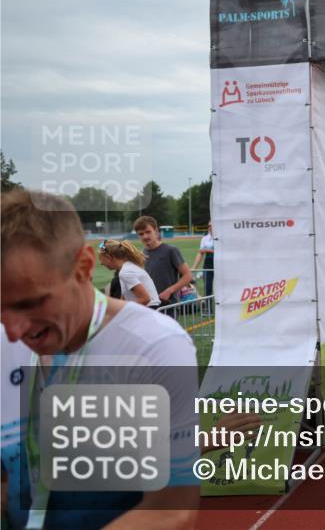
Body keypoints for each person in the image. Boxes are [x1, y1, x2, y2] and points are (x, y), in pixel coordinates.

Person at [1, 189, 199, 529]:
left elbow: (171, 509)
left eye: (30, 304)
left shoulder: (154, 347)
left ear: (84, 266)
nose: (13, 332)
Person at [133, 216, 192, 307]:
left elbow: (188, 275)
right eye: (141, 234)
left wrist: (169, 291)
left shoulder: (171, 251)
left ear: (156, 231)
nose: (145, 236)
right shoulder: (141, 254)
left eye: (148, 232)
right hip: (149, 305)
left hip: (168, 304)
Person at [97, 239, 161, 308]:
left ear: (109, 257)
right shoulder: (128, 268)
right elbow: (124, 298)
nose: (101, 263)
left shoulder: (125, 272)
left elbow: (145, 299)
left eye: (101, 258)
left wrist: (124, 310)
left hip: (149, 310)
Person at [191, 222, 214, 297]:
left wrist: (207, 250)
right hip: (208, 264)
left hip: (220, 264)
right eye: (209, 226)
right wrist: (194, 268)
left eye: (212, 225)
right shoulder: (205, 238)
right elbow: (200, 252)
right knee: (207, 288)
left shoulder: (222, 237)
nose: (210, 227)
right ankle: (208, 307)